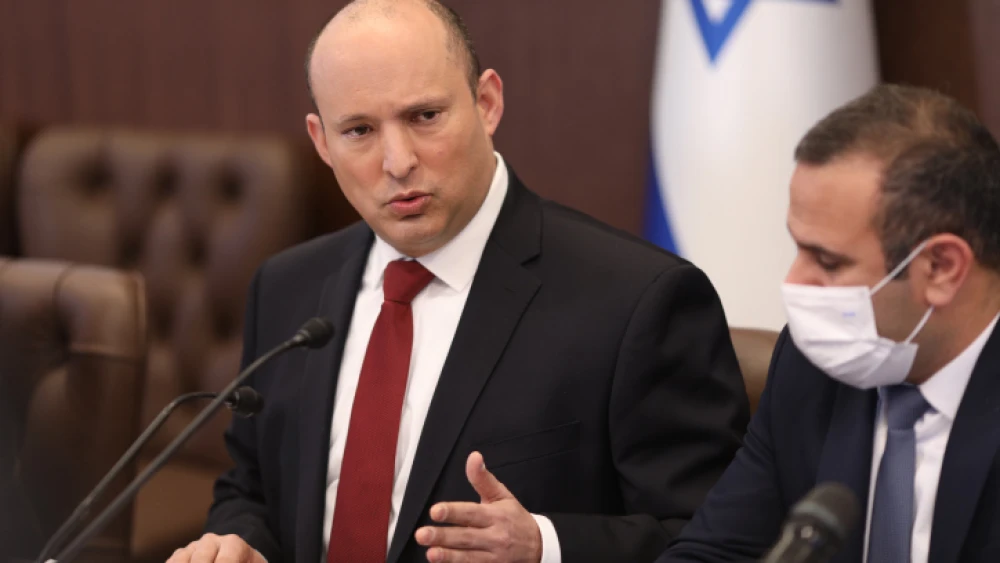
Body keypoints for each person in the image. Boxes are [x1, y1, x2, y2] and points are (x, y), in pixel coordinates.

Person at [167, 1, 749, 562]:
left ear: (487, 102)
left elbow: (713, 540)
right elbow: (251, 489)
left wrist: (545, 547)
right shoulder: (287, 287)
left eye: (424, 117)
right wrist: (238, 544)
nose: (397, 162)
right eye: (359, 131)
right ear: (322, 142)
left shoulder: (638, 302)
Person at [656, 83, 1000, 563]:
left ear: (941, 268)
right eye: (798, 247)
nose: (794, 280)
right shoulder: (811, 366)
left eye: (828, 261)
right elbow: (714, 552)